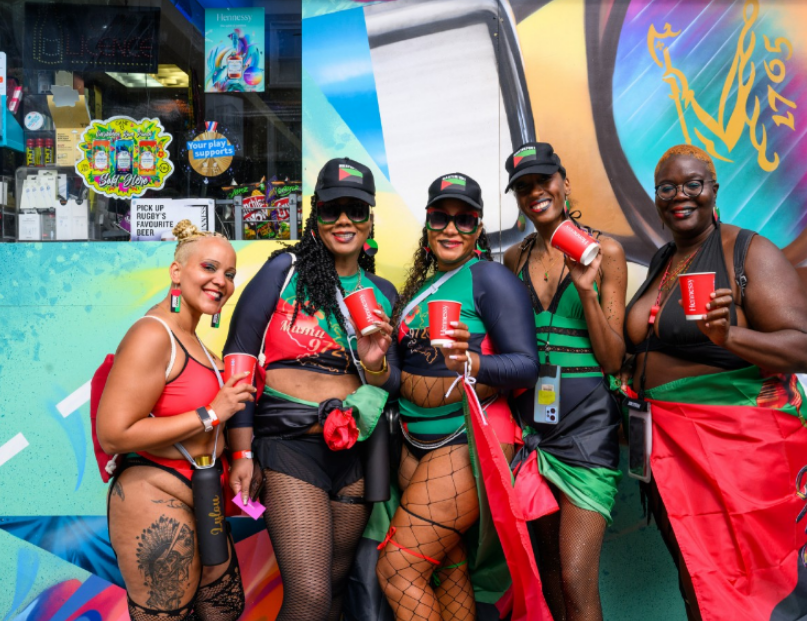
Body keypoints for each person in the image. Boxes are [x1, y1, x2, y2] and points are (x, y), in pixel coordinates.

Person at [623, 144, 807, 620]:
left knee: (767, 583)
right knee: (700, 579)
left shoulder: (748, 251)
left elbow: (805, 350)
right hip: (669, 451)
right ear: (656, 198)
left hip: (740, 452)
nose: (681, 195)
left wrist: (730, 335)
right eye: (667, 187)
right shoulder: (663, 261)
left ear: (713, 190)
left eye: (693, 184)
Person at [223, 158, 400, 621]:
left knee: (337, 588)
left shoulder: (383, 293)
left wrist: (375, 361)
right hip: (289, 447)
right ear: (314, 214)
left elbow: (391, 383)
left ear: (370, 219)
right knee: (310, 596)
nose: (344, 220)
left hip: (354, 456)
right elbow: (240, 355)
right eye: (332, 209)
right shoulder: (284, 270)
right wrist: (241, 454)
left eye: (356, 210)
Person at [376, 173, 539, 621]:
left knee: (397, 569)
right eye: (441, 218)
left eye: (465, 220)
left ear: (478, 228)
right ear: (427, 225)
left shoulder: (487, 277)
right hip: (415, 443)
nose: (452, 229)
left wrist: (473, 361)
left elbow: (527, 365)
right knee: (447, 569)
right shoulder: (418, 291)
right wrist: (373, 361)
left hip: (466, 440)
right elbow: (395, 377)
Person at [97, 220, 252, 621]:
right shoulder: (153, 334)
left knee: (223, 607)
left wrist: (239, 457)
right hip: (154, 492)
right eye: (209, 268)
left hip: (205, 492)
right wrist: (211, 413)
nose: (221, 280)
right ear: (177, 272)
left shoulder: (196, 340)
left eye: (229, 274)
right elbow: (114, 434)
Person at [501, 142, 627, 621]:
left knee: (576, 577)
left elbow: (613, 359)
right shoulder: (512, 259)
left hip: (589, 428)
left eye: (544, 181)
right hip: (531, 429)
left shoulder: (606, 251)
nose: (536, 193)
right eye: (523, 187)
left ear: (565, 182)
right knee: (548, 573)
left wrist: (586, 289)